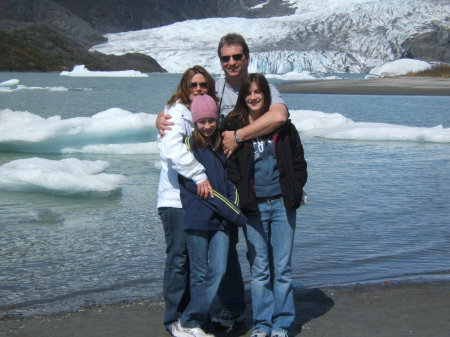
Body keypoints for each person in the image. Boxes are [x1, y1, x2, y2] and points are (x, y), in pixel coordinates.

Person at [156, 33, 289, 329]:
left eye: (237, 56)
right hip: (205, 192)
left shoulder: (258, 89)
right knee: (198, 258)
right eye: (226, 58)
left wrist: (238, 135)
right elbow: (181, 121)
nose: (231, 62)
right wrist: (161, 116)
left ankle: (249, 312)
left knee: (249, 258)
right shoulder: (200, 100)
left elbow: (279, 116)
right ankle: (190, 315)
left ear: (247, 57)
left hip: (247, 190)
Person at [222, 73, 308, 337]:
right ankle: (262, 324)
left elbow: (299, 163)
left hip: (282, 205)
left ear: (266, 95)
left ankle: (282, 323)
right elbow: (231, 169)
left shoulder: (284, 129)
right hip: (253, 208)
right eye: (248, 92)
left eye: (258, 92)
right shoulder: (234, 128)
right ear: (242, 96)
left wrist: (294, 189)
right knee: (259, 269)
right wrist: (243, 198)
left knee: (282, 268)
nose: (253, 97)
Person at [177, 95, 247, 337]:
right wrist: (237, 215)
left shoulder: (222, 147)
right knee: (199, 273)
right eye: (201, 121)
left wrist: (232, 211)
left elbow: (230, 185)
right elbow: (197, 189)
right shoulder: (187, 146)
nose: (206, 126)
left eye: (210, 120)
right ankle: (196, 323)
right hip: (198, 220)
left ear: (216, 119)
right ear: (194, 122)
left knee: (218, 269)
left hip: (222, 222)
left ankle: (189, 320)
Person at [157, 65, 217, 337]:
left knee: (194, 260)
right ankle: (174, 318)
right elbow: (172, 148)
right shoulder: (176, 112)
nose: (198, 89)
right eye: (193, 85)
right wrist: (199, 173)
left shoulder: (202, 111)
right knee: (179, 258)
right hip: (174, 199)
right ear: (185, 86)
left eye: (203, 84)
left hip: (195, 200)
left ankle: (191, 316)